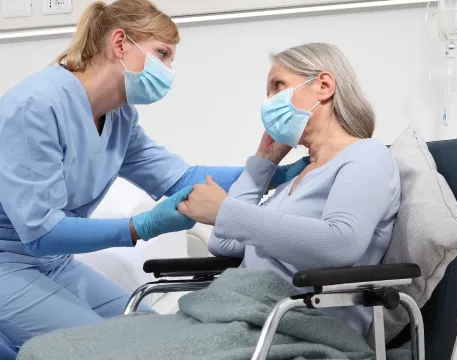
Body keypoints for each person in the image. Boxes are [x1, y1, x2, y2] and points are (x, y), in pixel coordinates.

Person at [17, 43, 402, 360]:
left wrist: (226, 211)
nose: (269, 101)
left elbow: (341, 243)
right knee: (45, 350)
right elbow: (225, 243)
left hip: (300, 323)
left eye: (278, 85)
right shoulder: (302, 173)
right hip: (245, 314)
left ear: (323, 85)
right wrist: (261, 166)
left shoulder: (365, 156)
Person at [0, 0, 306, 352]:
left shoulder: (119, 118)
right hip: (7, 265)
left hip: (56, 264)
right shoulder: (36, 106)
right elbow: (41, 233)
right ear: (119, 44)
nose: (169, 70)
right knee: (111, 349)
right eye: (163, 54)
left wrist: (273, 173)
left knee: (157, 338)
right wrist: (139, 227)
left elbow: (182, 178)